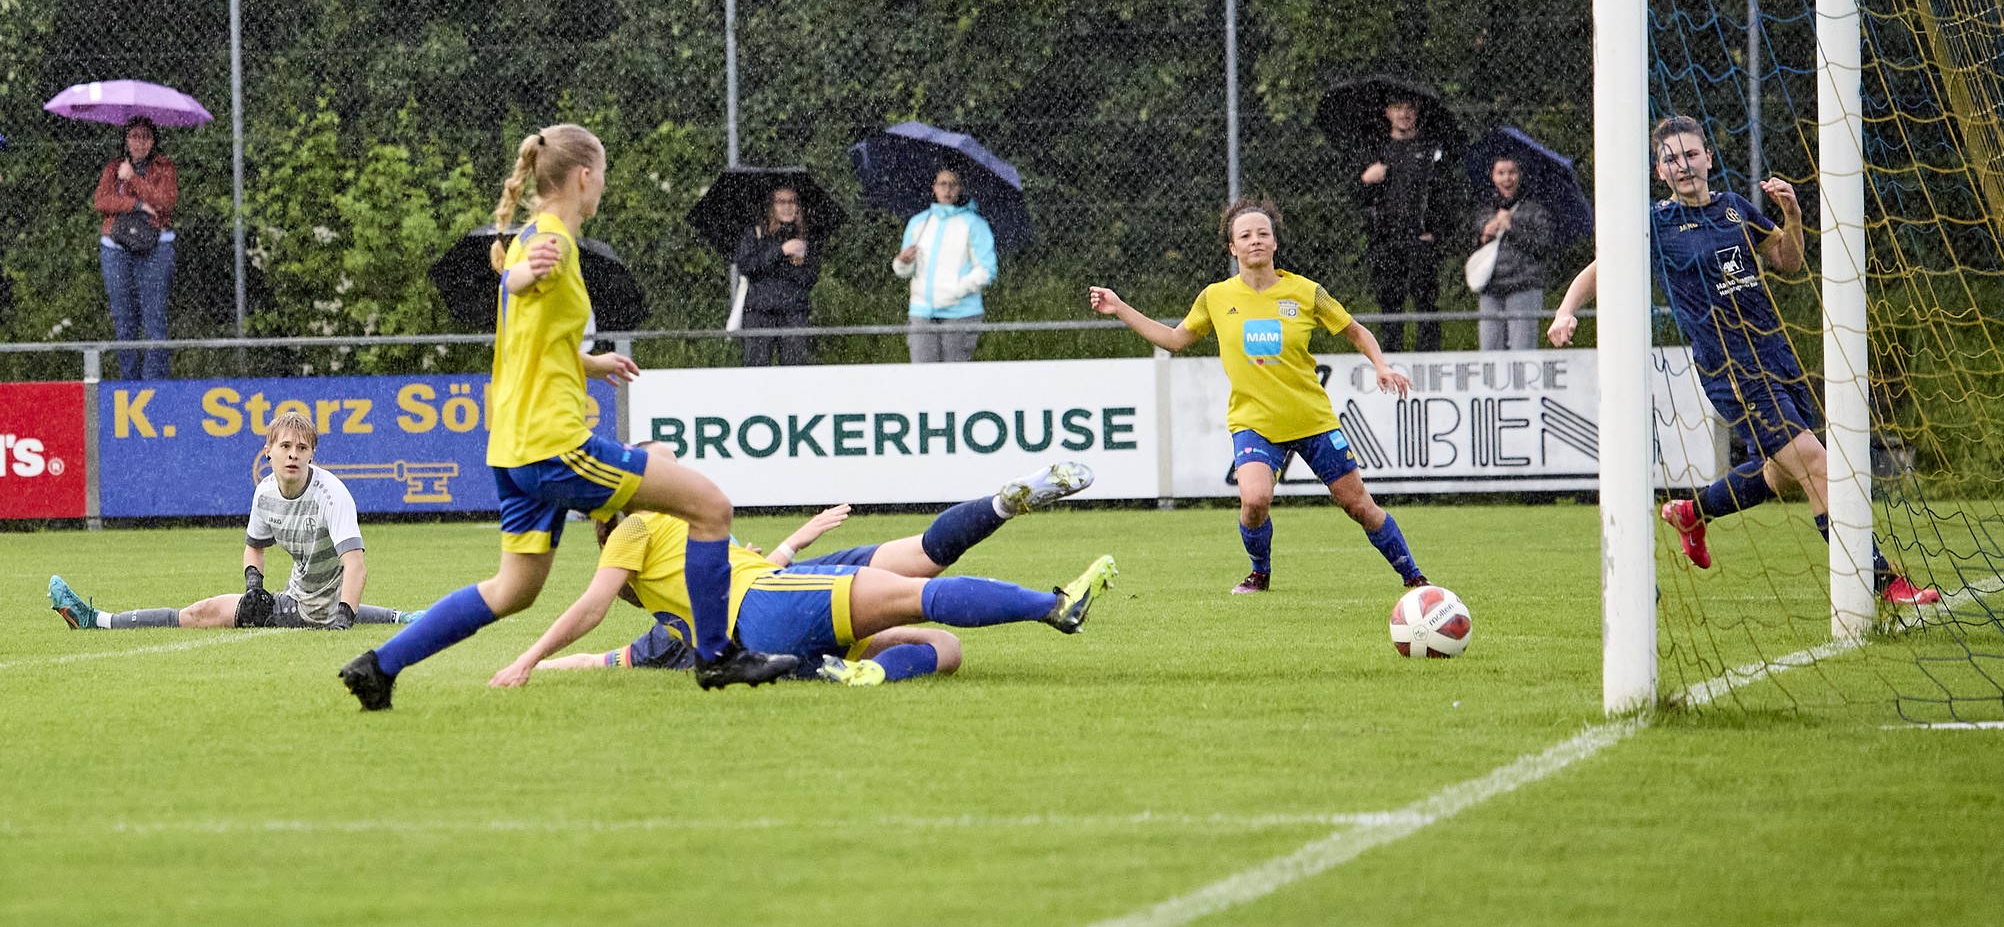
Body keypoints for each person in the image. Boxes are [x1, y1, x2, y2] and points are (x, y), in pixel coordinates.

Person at [338, 124, 800, 711]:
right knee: (712, 507)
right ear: (584, 177)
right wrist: (515, 273)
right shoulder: (550, 240)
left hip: (513, 448)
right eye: (601, 177)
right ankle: (715, 657)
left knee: (513, 590)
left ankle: (379, 666)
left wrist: (589, 361)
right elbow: (520, 275)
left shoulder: (537, 233)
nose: (601, 188)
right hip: (555, 443)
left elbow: (529, 335)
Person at [1546, 115, 1938, 605]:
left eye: (1691, 154)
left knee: (1779, 475)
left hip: (1778, 358)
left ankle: (1694, 512)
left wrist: (1792, 214)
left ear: (1708, 158)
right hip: (1731, 370)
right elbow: (1599, 269)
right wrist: (1566, 312)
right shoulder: (1655, 224)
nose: (1683, 164)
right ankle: (1884, 583)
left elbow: (1789, 260)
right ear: (1659, 172)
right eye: (1671, 159)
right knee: (1816, 463)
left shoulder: (1735, 209)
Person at [490, 466, 1115, 691]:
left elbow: (615, 654)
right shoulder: (638, 527)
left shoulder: (684, 523)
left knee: (939, 633)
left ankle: (866, 672)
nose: (666, 467)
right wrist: (531, 657)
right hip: (767, 607)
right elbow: (593, 613)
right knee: (916, 596)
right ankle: (1052, 606)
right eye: (658, 464)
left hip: (779, 592)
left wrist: (800, 537)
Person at [1088, 196, 1431, 596]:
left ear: (1274, 244)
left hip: (1312, 420)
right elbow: (1175, 338)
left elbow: (1356, 330)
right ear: (1232, 248)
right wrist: (1120, 307)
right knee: (1253, 501)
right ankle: (1259, 573)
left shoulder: (1305, 292)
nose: (1255, 240)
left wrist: (1381, 364)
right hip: (1255, 423)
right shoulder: (1216, 297)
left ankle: (1415, 578)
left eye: (1263, 234)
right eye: (1245, 235)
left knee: (1359, 507)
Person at [48, 413, 420, 631]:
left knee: (199, 613)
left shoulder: (332, 494)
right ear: (268, 450)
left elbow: (355, 565)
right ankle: (403, 617)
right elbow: (255, 546)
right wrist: (254, 584)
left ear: (312, 454)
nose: (293, 454)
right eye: (285, 446)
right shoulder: (264, 493)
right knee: (213, 610)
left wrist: (342, 619)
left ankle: (96, 619)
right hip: (299, 597)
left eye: (302, 448)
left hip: (314, 608)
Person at [1355, 97, 1465, 352]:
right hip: (1386, 240)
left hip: (1420, 240)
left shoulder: (1431, 150)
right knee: (1389, 302)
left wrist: (1435, 230)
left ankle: (1428, 357)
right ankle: (1390, 357)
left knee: (1425, 300)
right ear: (1387, 112)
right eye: (1397, 108)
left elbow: (1445, 195)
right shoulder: (1377, 150)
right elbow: (1358, 198)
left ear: (1417, 112)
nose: (1404, 113)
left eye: (1409, 108)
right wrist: (1366, 180)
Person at [93, 115, 177, 381]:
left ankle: (153, 385)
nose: (140, 143)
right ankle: (129, 387)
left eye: (146, 137)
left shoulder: (165, 168)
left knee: (154, 318)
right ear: (125, 139)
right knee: (124, 320)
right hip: (116, 248)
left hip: (155, 247)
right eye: (134, 136)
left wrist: (135, 180)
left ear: (154, 141)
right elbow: (101, 201)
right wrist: (135, 205)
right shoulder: (114, 167)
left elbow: (165, 202)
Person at [892, 167, 997, 363]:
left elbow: (987, 270)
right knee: (923, 378)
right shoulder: (919, 223)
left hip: (961, 313)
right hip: (922, 311)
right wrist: (902, 262)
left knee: (954, 380)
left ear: (960, 189)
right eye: (942, 184)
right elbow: (904, 270)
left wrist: (955, 290)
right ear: (934, 188)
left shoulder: (974, 224)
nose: (947, 190)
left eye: (953, 184)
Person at [1472, 155, 1554, 351]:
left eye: (1511, 172)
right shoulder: (1485, 208)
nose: (1506, 179)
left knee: (1522, 352)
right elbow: (1471, 245)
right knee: (1489, 351)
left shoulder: (1535, 208)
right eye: (1501, 173)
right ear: (1493, 176)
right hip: (1490, 287)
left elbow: (1543, 246)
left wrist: (1512, 228)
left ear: (1520, 175)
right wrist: (1484, 235)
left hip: (1524, 286)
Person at [736, 183, 820, 367]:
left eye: (792, 201)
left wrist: (796, 261)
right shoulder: (756, 233)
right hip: (759, 312)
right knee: (755, 371)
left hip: (793, 313)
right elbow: (747, 267)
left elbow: (811, 277)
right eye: (781, 201)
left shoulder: (805, 237)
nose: (787, 206)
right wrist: (781, 251)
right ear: (771, 205)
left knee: (795, 372)